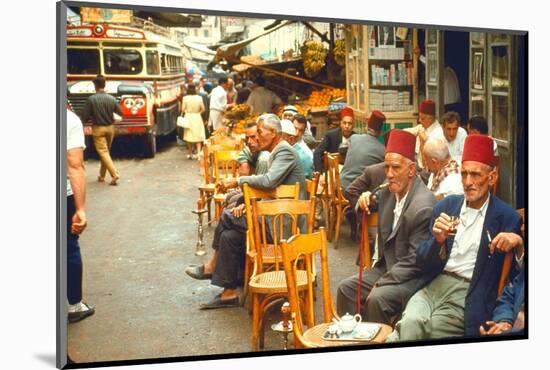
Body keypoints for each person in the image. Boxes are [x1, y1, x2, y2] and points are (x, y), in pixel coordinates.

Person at [387, 134, 522, 341]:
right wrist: (437, 240)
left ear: (492, 178)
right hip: (433, 284)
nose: (468, 182)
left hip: (468, 292)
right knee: (412, 322)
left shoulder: (506, 217)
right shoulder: (446, 206)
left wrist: (519, 244)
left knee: (418, 332)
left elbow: (515, 278)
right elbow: (421, 261)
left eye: (475, 175)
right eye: (464, 174)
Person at [185, 114, 306, 309]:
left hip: (283, 226)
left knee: (227, 216)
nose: (256, 137)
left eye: (260, 132)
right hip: (274, 216)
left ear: (273, 133)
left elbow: (268, 182)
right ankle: (229, 293)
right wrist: (247, 202)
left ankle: (212, 266)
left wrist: (239, 181)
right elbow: (271, 187)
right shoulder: (277, 152)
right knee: (230, 236)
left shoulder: (284, 151)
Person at [336, 130, 436, 325]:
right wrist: (365, 198)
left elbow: (415, 262)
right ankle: (353, 339)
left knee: (377, 299)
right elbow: (373, 199)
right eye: (386, 167)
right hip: (387, 266)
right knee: (345, 289)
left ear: (411, 169)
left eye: (395, 168)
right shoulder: (389, 190)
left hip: (412, 276)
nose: (389, 174)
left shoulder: (423, 205)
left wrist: (382, 282)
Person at [66, 109, 95, 323]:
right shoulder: (68, 119)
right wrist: (81, 208)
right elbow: (75, 165)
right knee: (68, 248)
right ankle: (74, 305)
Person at [80, 74, 122, 185]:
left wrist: (84, 124)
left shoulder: (91, 99)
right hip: (110, 128)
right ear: (104, 84)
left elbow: (85, 116)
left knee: (103, 152)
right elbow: (120, 113)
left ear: (95, 86)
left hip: (98, 129)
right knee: (106, 152)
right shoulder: (112, 99)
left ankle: (114, 174)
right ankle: (102, 176)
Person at [340, 110, 386, 191]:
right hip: (357, 193)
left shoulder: (354, 138)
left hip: (341, 186)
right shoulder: (383, 150)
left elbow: (342, 150)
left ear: (366, 127)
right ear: (379, 132)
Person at [313, 107, 355, 173]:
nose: (347, 126)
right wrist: (320, 173)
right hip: (332, 172)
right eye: (344, 123)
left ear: (353, 125)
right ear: (340, 123)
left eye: (350, 123)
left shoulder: (356, 138)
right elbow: (317, 153)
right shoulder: (331, 135)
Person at [404, 99, 441, 170]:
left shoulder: (438, 132)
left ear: (430, 118)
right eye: (419, 118)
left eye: (422, 118)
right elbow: (407, 131)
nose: (419, 120)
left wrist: (424, 140)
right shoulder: (422, 127)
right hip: (416, 162)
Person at [181, 83, 206, 159]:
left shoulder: (185, 98)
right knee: (198, 136)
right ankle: (198, 154)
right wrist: (198, 113)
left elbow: (182, 109)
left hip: (188, 117)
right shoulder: (199, 98)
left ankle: (190, 154)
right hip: (197, 117)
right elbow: (203, 109)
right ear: (195, 89)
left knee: (189, 136)